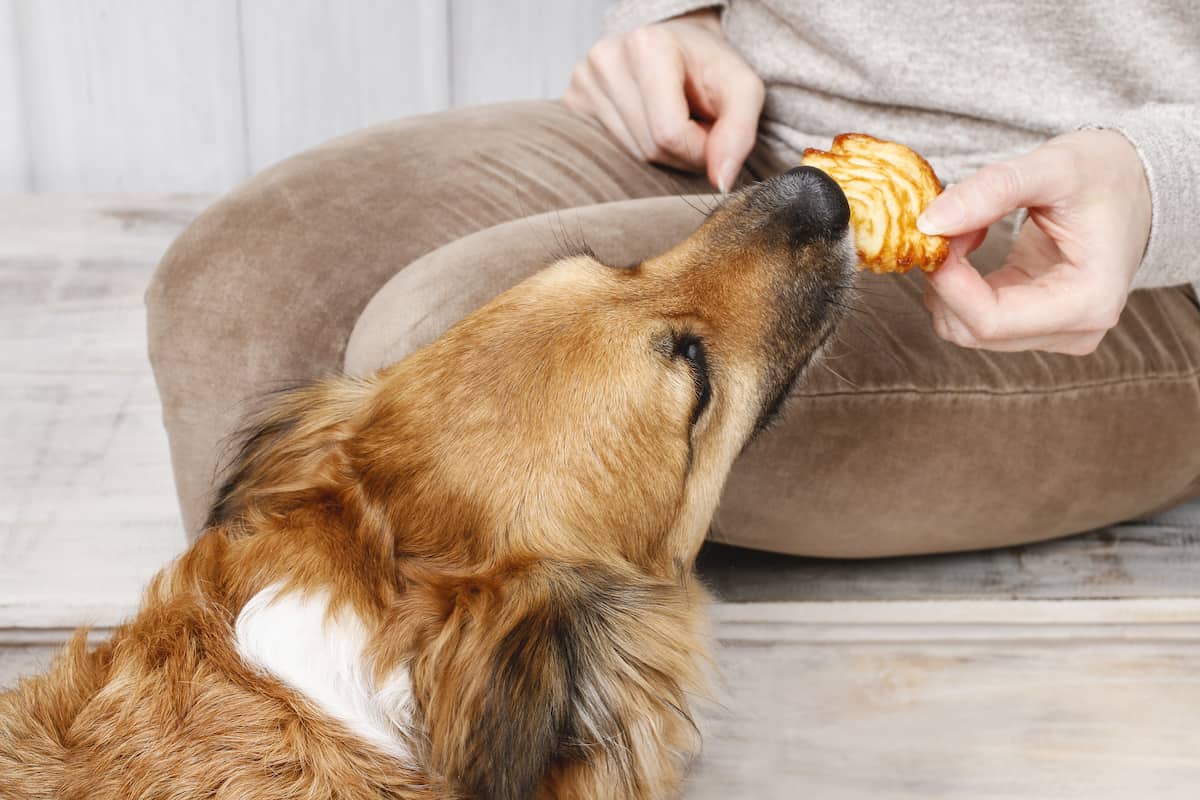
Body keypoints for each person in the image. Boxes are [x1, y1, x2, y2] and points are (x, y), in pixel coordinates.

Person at [147, 1, 1200, 556]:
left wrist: (1157, 185)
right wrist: (671, 14)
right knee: (235, 289)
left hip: (1081, 247)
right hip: (735, 126)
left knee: (442, 336)